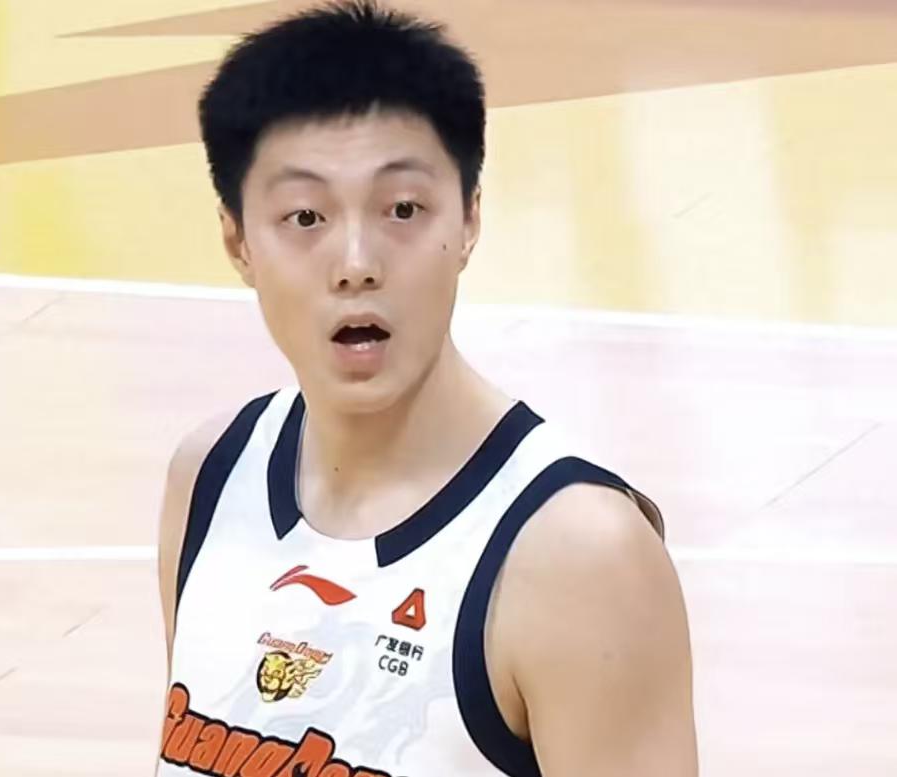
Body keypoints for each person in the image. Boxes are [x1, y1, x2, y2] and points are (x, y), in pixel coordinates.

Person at [156, 2, 697, 775]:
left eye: (402, 210)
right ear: (237, 239)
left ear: (469, 218)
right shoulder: (210, 475)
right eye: (304, 216)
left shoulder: (578, 556)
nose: (355, 263)